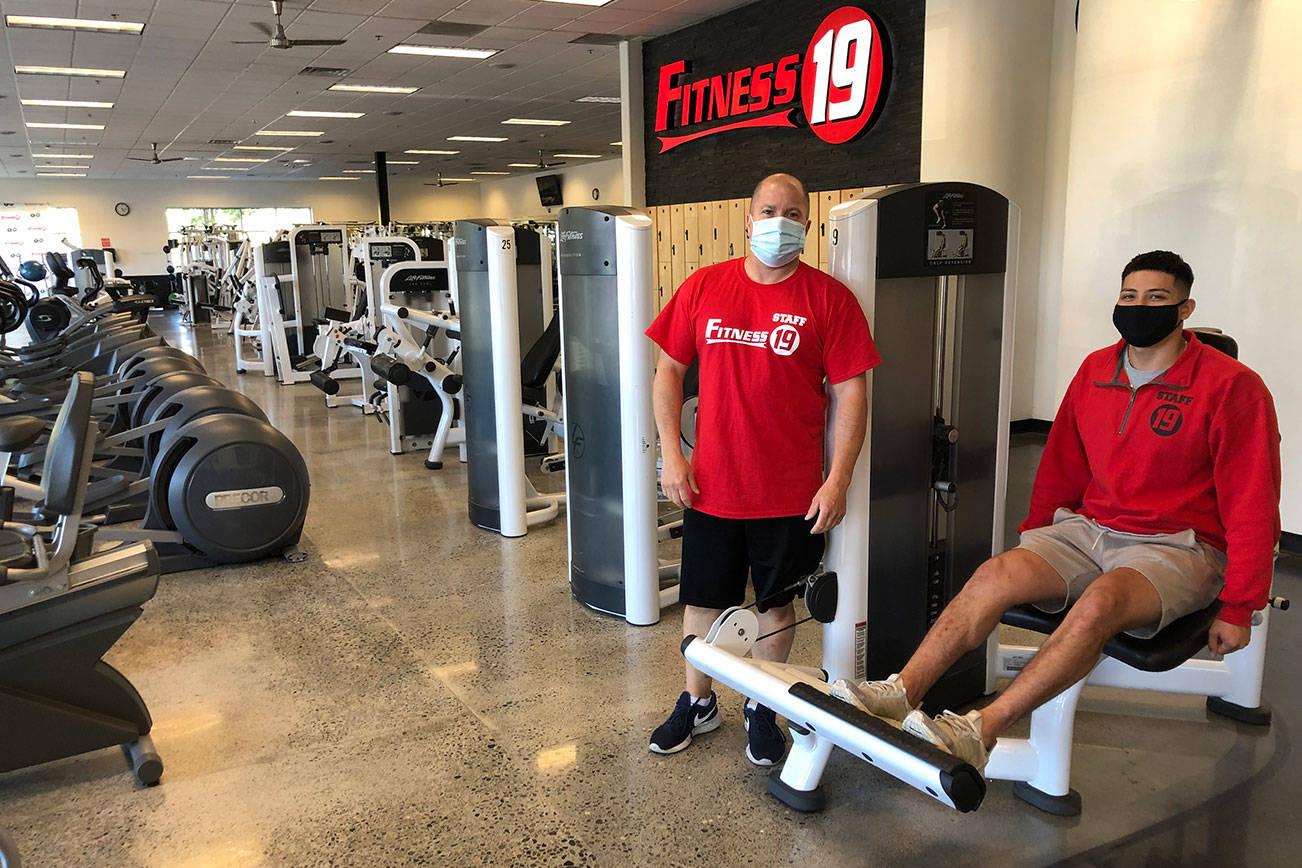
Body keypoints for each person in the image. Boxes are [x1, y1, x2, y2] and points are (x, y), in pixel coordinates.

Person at [832, 250, 1282, 770]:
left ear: (1185, 308)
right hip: (1088, 531)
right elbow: (1062, 466)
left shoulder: (1232, 387)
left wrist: (1238, 606)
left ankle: (980, 729)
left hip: (1178, 545)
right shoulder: (1096, 370)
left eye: (1156, 298)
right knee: (996, 574)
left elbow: (1253, 500)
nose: (1139, 307)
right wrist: (1036, 538)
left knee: (1100, 602)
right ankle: (900, 692)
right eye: (1129, 296)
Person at [645, 173, 881, 766]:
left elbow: (853, 394)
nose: (781, 222)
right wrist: (672, 452)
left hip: (790, 492)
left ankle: (763, 706)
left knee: (776, 605)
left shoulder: (828, 299)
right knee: (702, 603)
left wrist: (839, 478)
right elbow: (668, 371)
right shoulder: (704, 286)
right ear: (749, 221)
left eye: (793, 212)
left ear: (806, 223)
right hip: (711, 485)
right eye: (769, 211)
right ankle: (697, 703)